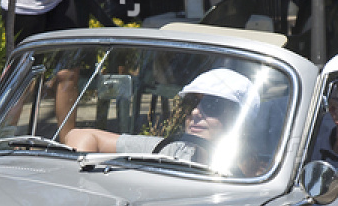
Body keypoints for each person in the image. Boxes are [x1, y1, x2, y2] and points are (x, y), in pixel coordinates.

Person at [63, 68, 259, 166]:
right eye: (191, 103)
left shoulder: (258, 174)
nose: (195, 112)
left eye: (212, 105)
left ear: (240, 119)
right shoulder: (174, 151)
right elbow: (80, 135)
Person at [2, 0, 79, 133]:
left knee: (68, 73)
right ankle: (2, 140)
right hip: (24, 3)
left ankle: (68, 141)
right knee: (20, 75)